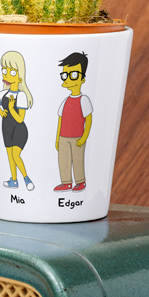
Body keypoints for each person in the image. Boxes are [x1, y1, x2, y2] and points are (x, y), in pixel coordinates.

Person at [0, 51, 35, 191]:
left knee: (15, 155)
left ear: (20, 77)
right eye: (4, 71)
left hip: (19, 130)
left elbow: (20, 119)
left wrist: (10, 108)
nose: (6, 75)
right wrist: (1, 112)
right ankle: (14, 180)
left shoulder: (21, 96)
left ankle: (26, 178)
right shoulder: (4, 93)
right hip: (6, 128)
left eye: (12, 72)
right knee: (9, 156)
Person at [54, 52, 92, 193]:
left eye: (73, 75)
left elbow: (88, 120)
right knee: (63, 160)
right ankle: (66, 182)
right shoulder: (65, 101)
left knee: (77, 159)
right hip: (63, 137)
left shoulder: (84, 100)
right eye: (65, 75)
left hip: (77, 137)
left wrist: (84, 137)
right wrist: (57, 139)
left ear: (82, 79)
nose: (68, 79)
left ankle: (80, 182)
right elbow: (60, 120)